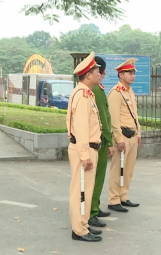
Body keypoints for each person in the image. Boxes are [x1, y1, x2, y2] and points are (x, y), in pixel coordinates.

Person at [67, 51, 103, 243]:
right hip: (85, 149)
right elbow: (80, 129)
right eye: (97, 70)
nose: (99, 73)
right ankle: (79, 230)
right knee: (80, 191)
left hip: (89, 148)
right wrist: (84, 155)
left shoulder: (86, 94)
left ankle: (83, 225)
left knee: (85, 190)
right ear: (88, 74)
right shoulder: (82, 95)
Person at [108, 58, 142, 212]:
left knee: (128, 168)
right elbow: (114, 119)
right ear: (121, 75)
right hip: (122, 136)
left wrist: (139, 133)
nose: (133, 75)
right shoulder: (116, 93)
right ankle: (113, 199)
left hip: (133, 135)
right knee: (117, 169)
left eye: (134, 72)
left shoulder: (130, 91)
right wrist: (119, 139)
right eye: (129, 73)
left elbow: (134, 115)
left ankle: (123, 196)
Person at [88, 56, 116, 228]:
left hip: (99, 139)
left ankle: (95, 208)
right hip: (99, 140)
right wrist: (109, 140)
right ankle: (91, 211)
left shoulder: (97, 89)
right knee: (96, 178)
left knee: (98, 177)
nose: (99, 73)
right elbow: (103, 118)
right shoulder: (97, 90)